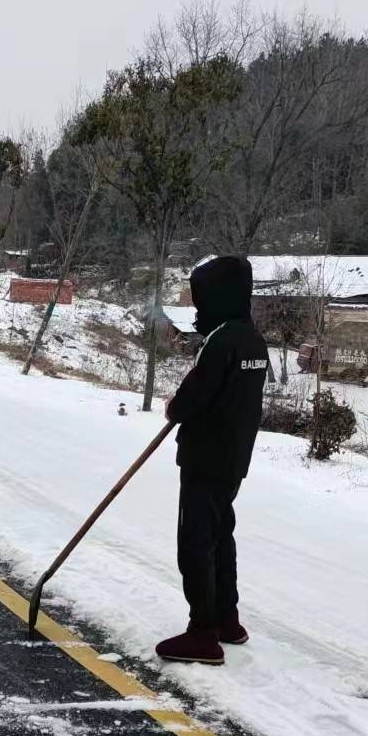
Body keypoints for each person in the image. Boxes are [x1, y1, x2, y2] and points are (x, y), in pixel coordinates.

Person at [155, 255, 269, 666]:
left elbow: (191, 398)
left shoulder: (220, 341)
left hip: (205, 458)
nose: (199, 307)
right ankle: (227, 618)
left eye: (202, 298)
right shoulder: (253, 340)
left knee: (196, 543)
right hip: (235, 457)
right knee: (222, 536)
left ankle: (202, 632)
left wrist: (173, 408)